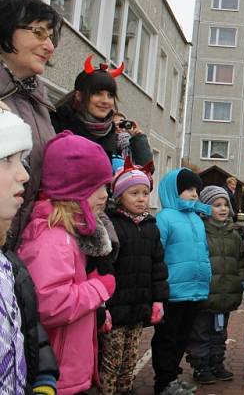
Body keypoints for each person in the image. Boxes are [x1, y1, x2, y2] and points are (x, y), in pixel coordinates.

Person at [17, 132, 116, 395]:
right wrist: (97, 289)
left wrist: (95, 313)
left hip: (67, 367)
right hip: (58, 375)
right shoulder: (54, 239)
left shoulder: (67, 234)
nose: (105, 196)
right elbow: (49, 304)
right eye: (99, 187)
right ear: (75, 189)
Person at [0, 105, 59, 394]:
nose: (24, 175)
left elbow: (27, 332)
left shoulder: (9, 266)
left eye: (22, 159)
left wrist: (44, 378)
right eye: (6, 159)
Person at [0, 0, 62, 251]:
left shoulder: (39, 102)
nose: (49, 46)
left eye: (50, 36)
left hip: (21, 251)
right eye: (38, 32)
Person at [100, 161, 168, 395]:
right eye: (134, 193)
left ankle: (125, 389)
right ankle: (108, 391)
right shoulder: (111, 225)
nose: (141, 198)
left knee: (131, 356)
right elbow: (104, 267)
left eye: (146, 193)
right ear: (119, 196)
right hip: (116, 308)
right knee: (112, 359)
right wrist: (104, 306)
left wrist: (158, 300)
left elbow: (158, 267)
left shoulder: (151, 226)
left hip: (139, 306)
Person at [151, 168, 212, 395]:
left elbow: (203, 251)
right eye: (188, 189)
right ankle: (163, 382)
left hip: (194, 290)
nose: (194, 194)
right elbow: (157, 254)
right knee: (167, 338)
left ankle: (172, 378)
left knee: (182, 337)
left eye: (196, 189)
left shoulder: (196, 219)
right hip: (172, 291)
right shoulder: (164, 218)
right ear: (172, 191)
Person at [187, 185, 244, 385]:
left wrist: (240, 280)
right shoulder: (199, 233)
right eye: (216, 205)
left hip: (226, 295)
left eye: (225, 205)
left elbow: (241, 261)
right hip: (204, 296)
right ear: (205, 208)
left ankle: (217, 363)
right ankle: (201, 366)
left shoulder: (234, 235)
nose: (222, 209)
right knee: (200, 332)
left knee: (219, 333)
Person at [51, 56, 152, 169]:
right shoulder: (56, 124)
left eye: (110, 95)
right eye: (98, 93)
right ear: (79, 96)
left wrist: (139, 138)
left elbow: (145, 171)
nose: (105, 101)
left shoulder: (110, 132)